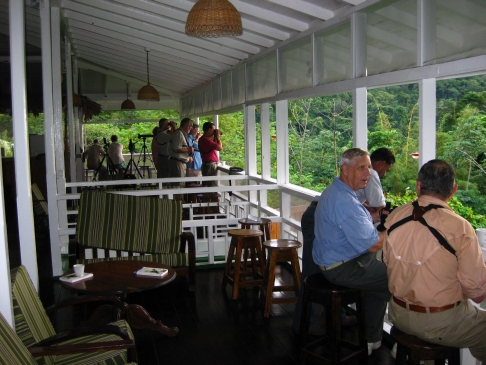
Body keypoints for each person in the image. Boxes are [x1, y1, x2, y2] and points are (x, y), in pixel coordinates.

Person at [383, 160, 486, 362]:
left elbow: (388, 262)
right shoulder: (461, 228)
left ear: (419, 185)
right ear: (453, 190)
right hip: (439, 322)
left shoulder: (396, 215)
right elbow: (477, 292)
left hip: (398, 314)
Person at [312, 147, 390, 355]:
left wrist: (370, 218)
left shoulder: (338, 191)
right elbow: (373, 244)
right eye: (362, 168)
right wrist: (394, 226)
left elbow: (351, 223)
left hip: (333, 260)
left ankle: (372, 339)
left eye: (370, 168)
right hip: (341, 268)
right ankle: (407, 336)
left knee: (381, 282)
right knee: (401, 277)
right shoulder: (344, 200)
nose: (368, 173)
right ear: (345, 170)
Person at [292, 197, 357, 336]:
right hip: (320, 217)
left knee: (328, 266)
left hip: (318, 213)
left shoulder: (355, 181)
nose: (386, 173)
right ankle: (306, 322)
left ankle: (336, 316)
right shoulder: (369, 179)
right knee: (312, 272)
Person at [356, 147, 395, 214]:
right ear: (382, 164)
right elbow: (381, 209)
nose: (384, 174)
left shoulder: (358, 172)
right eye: (386, 170)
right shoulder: (371, 174)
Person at [169, 118, 194, 187]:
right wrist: (189, 150)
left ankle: (179, 197)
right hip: (178, 162)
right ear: (186, 125)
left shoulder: (182, 133)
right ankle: (177, 198)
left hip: (181, 162)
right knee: (178, 185)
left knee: (181, 184)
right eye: (191, 126)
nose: (191, 128)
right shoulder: (179, 133)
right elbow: (176, 148)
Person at [198, 121, 223, 187]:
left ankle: (208, 196)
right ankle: (211, 197)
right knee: (212, 186)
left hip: (206, 165)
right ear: (209, 130)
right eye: (213, 130)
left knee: (207, 185)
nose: (214, 131)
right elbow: (219, 148)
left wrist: (215, 137)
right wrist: (218, 137)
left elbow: (214, 145)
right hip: (210, 166)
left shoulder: (202, 139)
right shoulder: (206, 140)